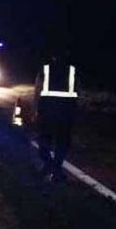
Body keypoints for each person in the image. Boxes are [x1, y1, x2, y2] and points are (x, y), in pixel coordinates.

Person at [33, 51, 78, 182]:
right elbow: (78, 92)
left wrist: (35, 110)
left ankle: (49, 165)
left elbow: (37, 91)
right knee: (62, 142)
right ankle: (56, 168)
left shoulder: (45, 70)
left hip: (47, 111)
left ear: (53, 57)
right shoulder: (72, 71)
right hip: (66, 112)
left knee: (44, 140)